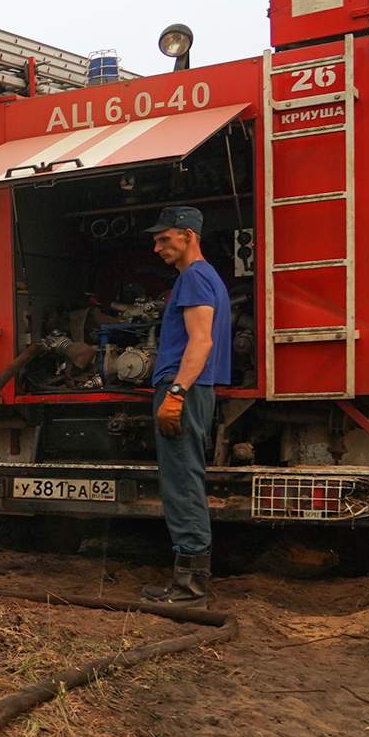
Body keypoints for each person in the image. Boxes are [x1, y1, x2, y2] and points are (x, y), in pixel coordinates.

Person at [141, 205, 231, 604]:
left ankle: (190, 586)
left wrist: (175, 394)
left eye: (164, 239)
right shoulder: (205, 277)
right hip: (194, 388)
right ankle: (189, 578)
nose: (157, 247)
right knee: (184, 478)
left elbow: (201, 341)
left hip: (185, 388)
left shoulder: (194, 278)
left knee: (181, 481)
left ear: (188, 236)